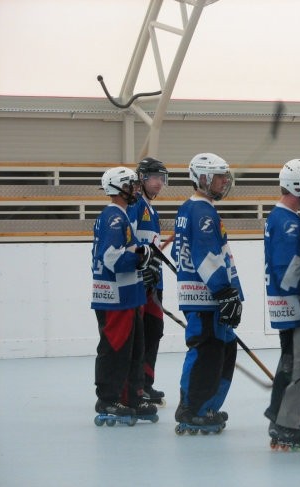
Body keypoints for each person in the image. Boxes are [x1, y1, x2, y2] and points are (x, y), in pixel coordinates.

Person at [171, 153, 243, 434]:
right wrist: (224, 291)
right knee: (207, 351)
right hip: (206, 297)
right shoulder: (202, 212)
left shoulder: (195, 209)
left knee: (223, 350)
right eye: (219, 176)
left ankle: (207, 405)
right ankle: (193, 409)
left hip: (207, 295)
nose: (225, 181)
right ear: (202, 178)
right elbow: (206, 255)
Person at [91, 166, 159, 423]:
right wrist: (141, 257)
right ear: (119, 188)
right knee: (115, 348)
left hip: (128, 294)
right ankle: (108, 399)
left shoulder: (120, 216)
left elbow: (124, 251)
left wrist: (141, 252)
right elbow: (111, 258)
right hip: (114, 296)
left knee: (134, 347)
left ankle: (132, 396)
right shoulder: (114, 218)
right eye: (131, 185)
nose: (136, 189)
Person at [263, 159, 300, 451]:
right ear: (298, 186)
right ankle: (287, 425)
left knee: (294, 362)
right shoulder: (288, 222)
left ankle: (286, 418)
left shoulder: (284, 218)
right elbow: (288, 270)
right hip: (295, 305)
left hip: (291, 304)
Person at [127, 157, 168, 406]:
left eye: (163, 178)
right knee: (140, 334)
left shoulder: (152, 209)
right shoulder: (135, 205)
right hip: (141, 282)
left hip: (154, 282)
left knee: (154, 331)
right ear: (142, 178)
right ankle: (135, 386)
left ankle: (146, 383)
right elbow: (129, 241)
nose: (160, 183)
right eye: (156, 178)